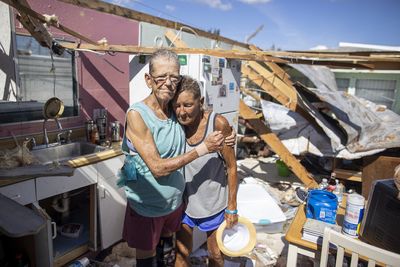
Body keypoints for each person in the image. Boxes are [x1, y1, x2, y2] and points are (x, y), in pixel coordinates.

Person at [118, 49, 227, 267]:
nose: (168, 83)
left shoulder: (174, 111)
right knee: (147, 263)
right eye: (161, 77)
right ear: (149, 80)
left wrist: (227, 133)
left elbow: (200, 117)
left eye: (174, 77)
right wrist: (204, 148)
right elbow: (157, 168)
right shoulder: (137, 115)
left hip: (174, 205)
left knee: (167, 258)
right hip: (147, 207)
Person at [173, 76, 239, 267]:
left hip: (214, 203)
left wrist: (232, 206)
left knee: (215, 254)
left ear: (201, 102)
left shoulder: (217, 124)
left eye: (187, 105)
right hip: (186, 202)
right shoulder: (176, 125)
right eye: (177, 106)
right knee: (181, 254)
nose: (182, 112)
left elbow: (232, 166)